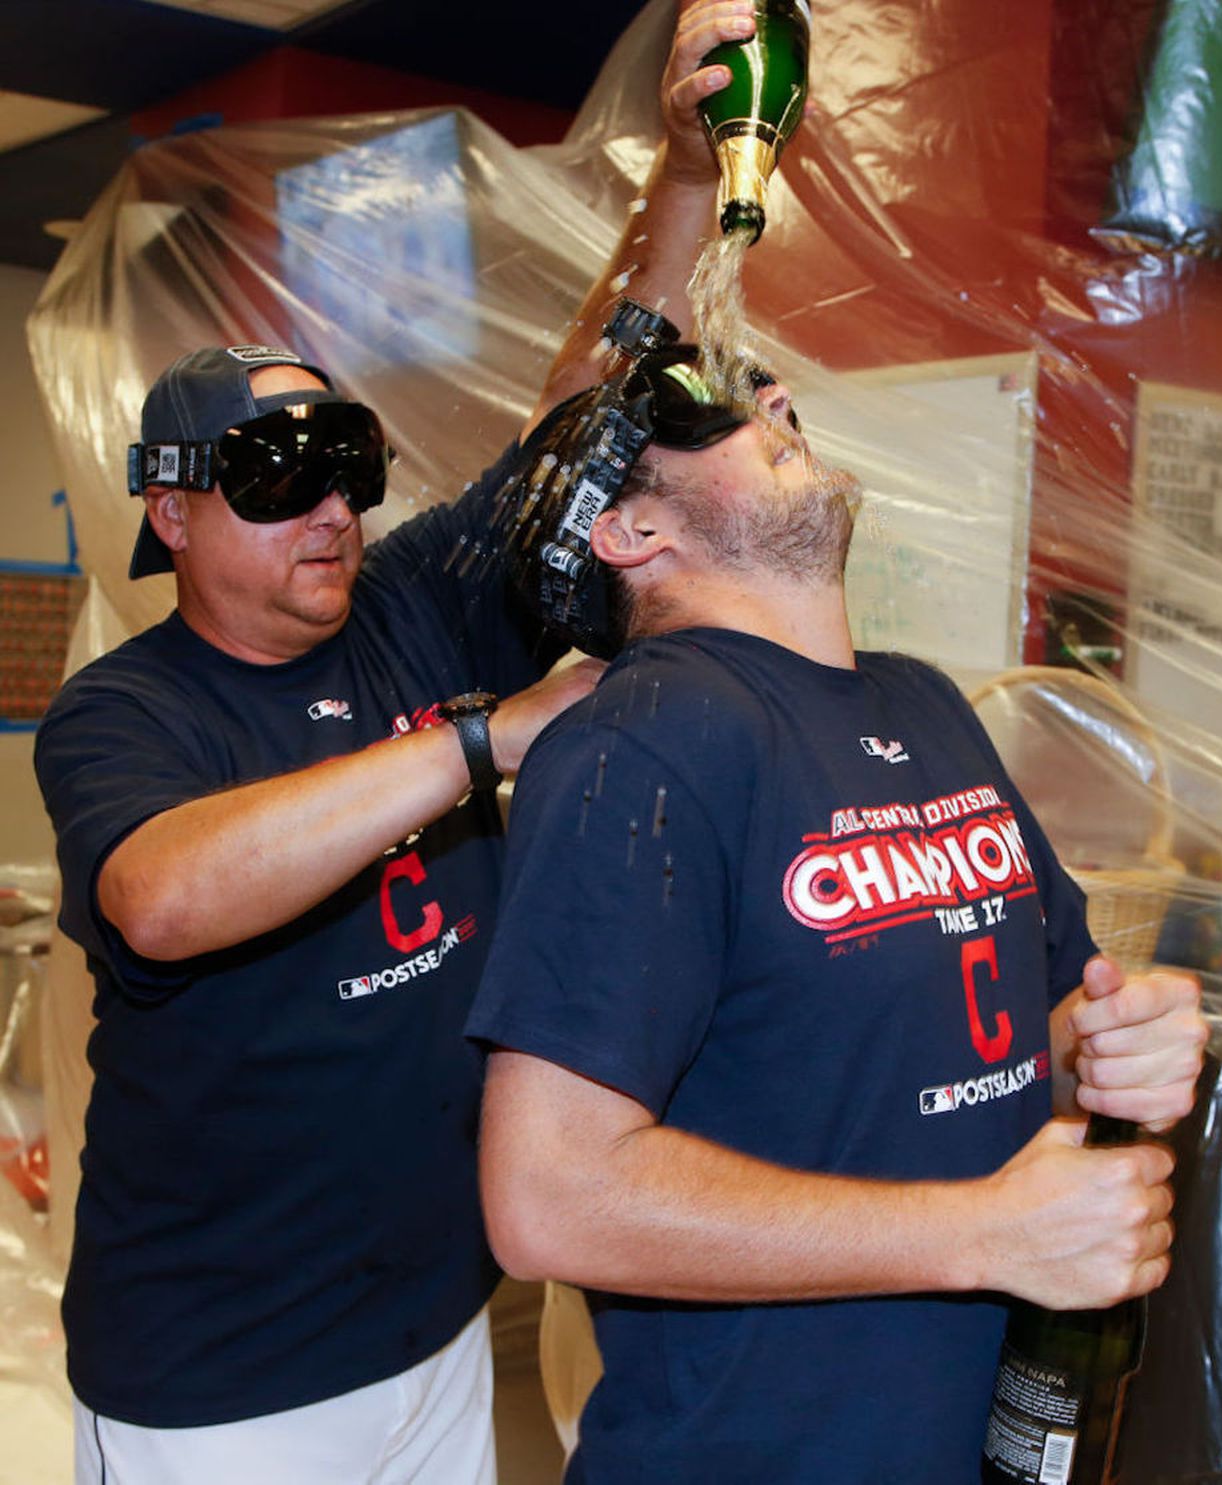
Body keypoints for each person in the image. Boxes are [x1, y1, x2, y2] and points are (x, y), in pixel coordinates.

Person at [33, 4, 757, 1479]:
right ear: (170, 517)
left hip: (433, 1335)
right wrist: (484, 739)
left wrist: (681, 182)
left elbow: (577, 431)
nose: (330, 509)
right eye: (272, 476)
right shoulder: (128, 708)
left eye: (347, 467)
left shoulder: (412, 610)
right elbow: (164, 900)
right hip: (217, 1375)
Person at [465, 311, 1210, 1483]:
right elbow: (548, 1196)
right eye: (709, 408)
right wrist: (982, 1234)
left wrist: (1118, 1041)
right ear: (628, 527)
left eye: (765, 385)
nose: (769, 398)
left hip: (987, 1436)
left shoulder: (922, 704)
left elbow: (1037, 1022)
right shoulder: (642, 743)